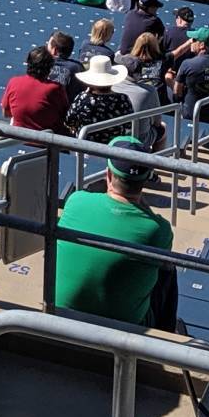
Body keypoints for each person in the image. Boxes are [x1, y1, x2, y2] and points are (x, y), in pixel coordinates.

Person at [49, 136, 175, 330]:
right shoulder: (159, 230)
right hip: (124, 332)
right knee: (168, 269)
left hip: (59, 318)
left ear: (108, 174)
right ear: (145, 181)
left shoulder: (76, 201)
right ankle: (168, 337)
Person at [0, 46, 70, 131]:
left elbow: (6, 113)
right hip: (45, 140)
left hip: (16, 138)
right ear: (50, 68)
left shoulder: (14, 82)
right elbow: (64, 115)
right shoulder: (55, 88)